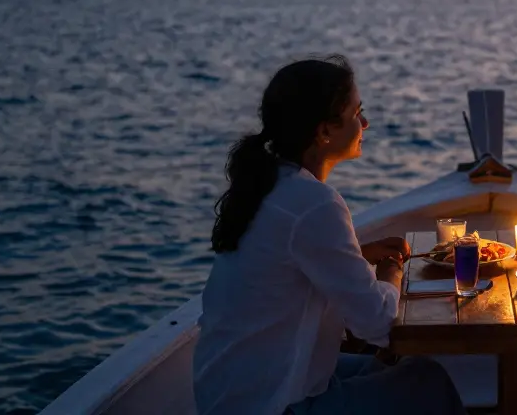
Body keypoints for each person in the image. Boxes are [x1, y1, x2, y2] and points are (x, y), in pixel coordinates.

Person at [193, 56, 465, 415]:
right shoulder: (314, 204)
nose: (365, 123)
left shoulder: (269, 184)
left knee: (389, 369)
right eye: (357, 114)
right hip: (269, 404)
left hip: (233, 390)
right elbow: (378, 324)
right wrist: (391, 270)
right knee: (427, 381)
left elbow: (285, 267)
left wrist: (360, 253)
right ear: (323, 131)